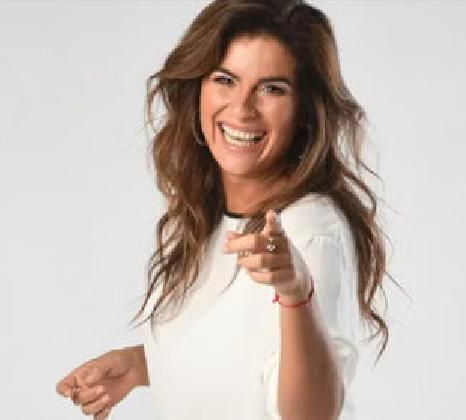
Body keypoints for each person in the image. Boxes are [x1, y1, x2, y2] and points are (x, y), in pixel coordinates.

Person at [55, 0, 396, 418]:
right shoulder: (205, 219)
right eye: (225, 80)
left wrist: (296, 294)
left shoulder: (307, 230)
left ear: (305, 110)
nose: (241, 108)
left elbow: (311, 414)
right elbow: (241, 353)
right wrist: (142, 364)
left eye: (271, 88)